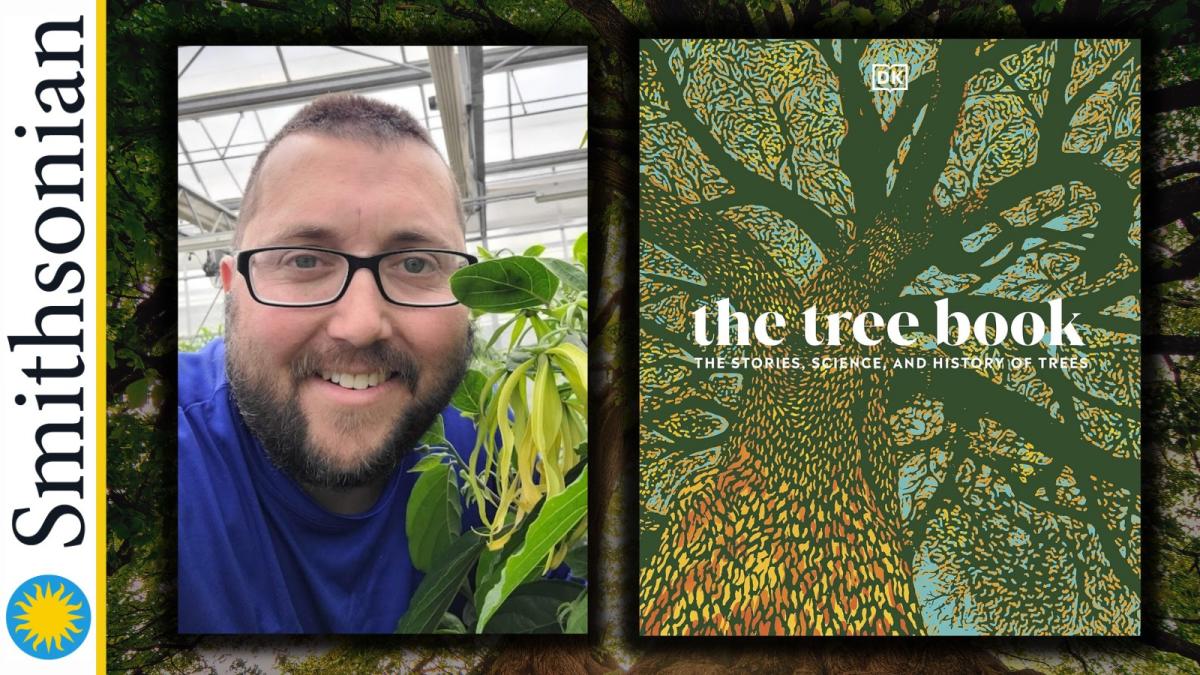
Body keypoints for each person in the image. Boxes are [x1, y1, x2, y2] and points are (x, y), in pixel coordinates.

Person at [178, 94, 481, 633]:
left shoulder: (508, 459)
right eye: (303, 260)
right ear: (232, 286)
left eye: (415, 263)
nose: (361, 323)